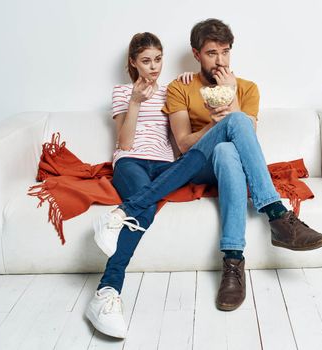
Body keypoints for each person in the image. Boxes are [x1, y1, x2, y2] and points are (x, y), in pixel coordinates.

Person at [160, 18, 322, 312]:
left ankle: (232, 261)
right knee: (229, 130)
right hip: (196, 164)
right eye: (212, 53)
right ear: (196, 53)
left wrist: (232, 97)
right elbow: (185, 144)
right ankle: (277, 214)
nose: (219, 60)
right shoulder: (181, 87)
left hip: (230, 166)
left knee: (228, 149)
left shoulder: (247, 88)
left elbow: (246, 137)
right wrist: (216, 124)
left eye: (225, 52)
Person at [85, 32, 200, 339]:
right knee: (146, 206)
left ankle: (118, 215)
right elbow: (124, 141)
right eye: (146, 61)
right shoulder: (122, 92)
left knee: (198, 159)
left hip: (165, 164)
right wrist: (135, 101)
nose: (154, 67)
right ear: (133, 63)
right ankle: (107, 291)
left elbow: (182, 141)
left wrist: (195, 80)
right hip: (131, 161)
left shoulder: (173, 91)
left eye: (159, 60)